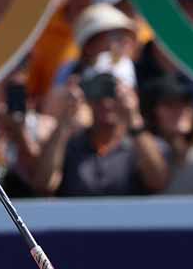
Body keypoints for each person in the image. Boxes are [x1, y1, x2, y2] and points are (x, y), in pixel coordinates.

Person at [30, 67, 169, 198]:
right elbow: (45, 184)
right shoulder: (71, 146)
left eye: (113, 92)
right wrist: (65, 120)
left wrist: (134, 119)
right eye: (98, 92)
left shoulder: (144, 145)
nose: (106, 102)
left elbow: (158, 181)